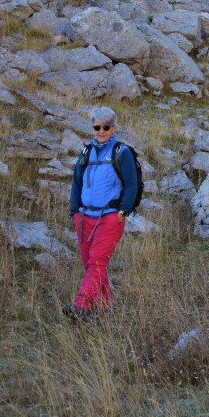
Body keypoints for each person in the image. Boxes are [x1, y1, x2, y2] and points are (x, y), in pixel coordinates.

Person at [66, 106, 138, 320]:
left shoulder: (121, 152)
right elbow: (77, 183)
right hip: (84, 217)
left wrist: (123, 211)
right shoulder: (86, 152)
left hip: (109, 217)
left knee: (97, 262)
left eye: (106, 127)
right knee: (91, 264)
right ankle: (105, 306)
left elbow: (131, 184)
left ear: (113, 128)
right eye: (97, 126)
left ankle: (81, 307)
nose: (101, 131)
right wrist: (74, 212)